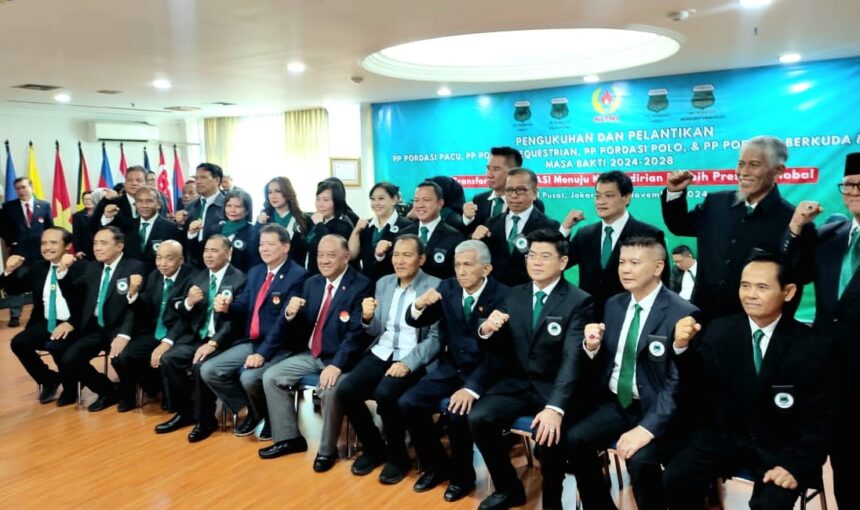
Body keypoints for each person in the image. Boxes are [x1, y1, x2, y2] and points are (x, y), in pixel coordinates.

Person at [663, 253, 836, 509]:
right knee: (676, 478)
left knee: (770, 503)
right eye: (745, 285)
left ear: (787, 292)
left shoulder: (813, 346)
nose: (750, 294)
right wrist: (680, 347)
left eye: (762, 287)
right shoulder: (719, 331)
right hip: (725, 438)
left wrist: (794, 465)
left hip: (780, 449)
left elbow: (822, 419)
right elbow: (695, 387)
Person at [562, 236, 698, 510]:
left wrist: (647, 428)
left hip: (658, 409)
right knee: (575, 439)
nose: (625, 269)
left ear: (658, 267)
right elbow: (605, 361)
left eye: (634, 263)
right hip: (617, 401)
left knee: (640, 461)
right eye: (622, 262)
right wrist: (591, 346)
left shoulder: (683, 312)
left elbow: (678, 382)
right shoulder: (614, 304)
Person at [469, 229, 593, 510]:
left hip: (554, 388)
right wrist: (487, 329)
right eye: (531, 255)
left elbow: (573, 358)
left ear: (562, 263)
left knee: (549, 434)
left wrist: (555, 408)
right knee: (479, 418)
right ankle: (508, 488)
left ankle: (552, 500)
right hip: (517, 384)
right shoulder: (513, 295)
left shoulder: (579, 300)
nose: (535, 262)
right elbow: (495, 346)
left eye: (545, 256)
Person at [401, 240, 507, 502]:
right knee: (409, 402)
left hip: (485, 372)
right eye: (457, 265)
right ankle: (436, 466)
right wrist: (419, 304)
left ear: (486, 268)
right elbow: (416, 319)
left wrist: (471, 388)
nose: (461, 271)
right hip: (452, 367)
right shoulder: (447, 287)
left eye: (468, 265)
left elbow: (501, 355)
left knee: (458, 413)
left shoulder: (503, 296)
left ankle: (463, 477)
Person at [783, 152, 860, 508]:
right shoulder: (833, 232)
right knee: (844, 462)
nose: (854, 191)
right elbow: (793, 273)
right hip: (830, 370)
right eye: (849, 185)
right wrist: (796, 228)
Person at [259, 234, 372, 474]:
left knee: (331, 391)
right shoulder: (312, 283)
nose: (324, 260)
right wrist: (291, 314)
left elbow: (356, 334)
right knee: (271, 377)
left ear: (346, 256)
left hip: (342, 360)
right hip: (312, 354)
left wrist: (337, 365)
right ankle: (289, 438)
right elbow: (302, 327)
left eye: (331, 255)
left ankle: (326, 450)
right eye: (320, 255)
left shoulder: (361, 285)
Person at [660, 135, 799, 322]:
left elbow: (795, 278)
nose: (743, 172)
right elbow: (679, 226)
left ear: (778, 170)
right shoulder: (716, 203)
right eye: (741, 164)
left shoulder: (791, 219)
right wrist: (674, 192)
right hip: (704, 318)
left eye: (754, 165)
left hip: (753, 324)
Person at [337, 235, 440, 484]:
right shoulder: (383, 283)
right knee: (346, 391)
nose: (400, 261)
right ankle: (374, 449)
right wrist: (367, 318)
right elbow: (374, 331)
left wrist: (408, 363)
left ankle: (398, 457)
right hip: (381, 351)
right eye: (396, 255)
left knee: (386, 394)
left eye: (407, 255)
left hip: (412, 356)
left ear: (422, 259)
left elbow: (435, 339)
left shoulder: (435, 286)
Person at [201, 224, 308, 440]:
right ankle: (254, 411)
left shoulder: (298, 275)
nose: (264, 249)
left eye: (270, 244)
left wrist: (263, 353)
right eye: (261, 244)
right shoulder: (256, 271)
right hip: (252, 340)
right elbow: (244, 306)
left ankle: (269, 418)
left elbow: (283, 323)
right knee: (209, 370)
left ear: (286, 246)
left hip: (280, 345)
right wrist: (228, 306)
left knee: (250, 378)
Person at [154, 235, 246, 442]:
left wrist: (213, 344)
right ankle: (184, 413)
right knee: (170, 359)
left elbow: (235, 322)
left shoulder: (239, 278)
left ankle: (205, 421)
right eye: (206, 250)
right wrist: (188, 302)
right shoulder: (198, 277)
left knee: (199, 366)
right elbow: (177, 308)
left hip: (224, 341)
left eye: (214, 250)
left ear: (228, 253)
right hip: (197, 337)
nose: (208, 255)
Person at [56, 226, 146, 411]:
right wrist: (63, 272)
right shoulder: (92, 267)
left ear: (119, 246)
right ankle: (108, 391)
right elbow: (75, 295)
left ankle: (128, 397)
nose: (97, 248)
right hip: (96, 327)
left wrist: (124, 335)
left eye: (103, 243)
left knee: (119, 358)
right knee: (70, 359)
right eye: (95, 243)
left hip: (121, 327)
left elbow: (134, 308)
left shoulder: (134, 267)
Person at [561, 170, 667, 320]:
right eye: (597, 196)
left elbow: (662, 282)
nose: (600, 201)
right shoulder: (585, 234)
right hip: (588, 320)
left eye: (609, 196)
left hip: (629, 319)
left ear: (627, 197)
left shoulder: (649, 234)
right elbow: (559, 263)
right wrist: (565, 228)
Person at [110, 240, 195, 412]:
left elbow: (186, 318)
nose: (162, 263)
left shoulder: (192, 277)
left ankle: (169, 393)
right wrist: (133, 293)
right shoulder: (154, 275)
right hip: (154, 331)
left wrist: (167, 342)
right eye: (159, 258)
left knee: (164, 358)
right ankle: (147, 391)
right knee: (121, 357)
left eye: (169, 259)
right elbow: (146, 308)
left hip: (178, 334)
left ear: (181, 260)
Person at [5, 228, 85, 404]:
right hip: (47, 321)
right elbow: (14, 289)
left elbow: (86, 302)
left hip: (74, 323)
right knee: (18, 343)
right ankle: (48, 379)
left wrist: (71, 323)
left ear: (68, 246)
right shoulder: (40, 267)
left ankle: (70, 389)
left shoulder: (80, 267)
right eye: (44, 243)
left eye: (53, 243)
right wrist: (9, 270)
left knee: (57, 346)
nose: (47, 247)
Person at [472, 168, 559, 287]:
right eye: (508, 190)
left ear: (534, 193)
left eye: (520, 190)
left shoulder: (549, 226)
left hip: (530, 295)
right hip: (496, 296)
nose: (514, 195)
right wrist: (474, 239)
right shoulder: (491, 224)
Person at [1, 177, 53, 327]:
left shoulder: (44, 205)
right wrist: (12, 242)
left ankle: (40, 313)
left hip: (41, 255)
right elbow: (3, 228)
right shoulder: (9, 207)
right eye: (18, 188)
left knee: (41, 284)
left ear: (31, 187)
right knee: (16, 285)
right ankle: (15, 316)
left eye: (23, 187)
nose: (21, 191)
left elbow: (49, 228)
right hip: (20, 255)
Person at [461, 147, 545, 235]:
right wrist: (467, 218)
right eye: (488, 168)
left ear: (513, 172)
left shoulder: (531, 203)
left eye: (496, 169)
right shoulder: (479, 200)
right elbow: (468, 236)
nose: (489, 175)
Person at [349, 182, 414, 281]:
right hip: (367, 287)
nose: (376, 203)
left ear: (394, 199)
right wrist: (356, 231)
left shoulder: (407, 227)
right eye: (373, 199)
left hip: (394, 286)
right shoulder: (366, 226)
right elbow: (351, 255)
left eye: (381, 198)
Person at [401, 180, 464, 280]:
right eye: (416, 200)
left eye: (426, 200)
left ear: (440, 203)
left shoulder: (454, 237)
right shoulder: (404, 234)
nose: (420, 205)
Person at [124, 187, 183, 274]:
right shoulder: (127, 226)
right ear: (135, 204)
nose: (144, 205)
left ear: (159, 204)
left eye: (149, 201)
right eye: (140, 201)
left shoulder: (170, 228)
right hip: (131, 277)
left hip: (158, 278)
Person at [254, 177, 309, 267]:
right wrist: (259, 224)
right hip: (268, 271)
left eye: (278, 191)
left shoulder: (304, 219)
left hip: (297, 273)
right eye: (270, 192)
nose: (273, 196)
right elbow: (254, 249)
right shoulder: (264, 219)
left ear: (287, 192)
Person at [304, 180, 355, 275]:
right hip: (313, 276)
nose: (320, 204)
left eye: (326, 200)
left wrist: (319, 225)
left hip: (330, 275)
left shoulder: (343, 225)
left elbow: (327, 245)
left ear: (336, 201)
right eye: (318, 199)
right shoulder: (316, 219)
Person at [182, 163, 226, 267]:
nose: (198, 181)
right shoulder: (191, 207)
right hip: (194, 265)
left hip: (219, 264)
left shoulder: (227, 206)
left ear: (217, 180)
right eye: (196, 178)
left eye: (203, 177)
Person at [92, 166, 146, 236]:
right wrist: (106, 218)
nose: (134, 183)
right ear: (125, 183)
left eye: (139, 180)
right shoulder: (111, 202)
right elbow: (93, 228)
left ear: (146, 183)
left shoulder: (154, 203)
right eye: (130, 180)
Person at [72, 191, 96, 260]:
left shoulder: (101, 214)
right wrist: (78, 251)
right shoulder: (77, 215)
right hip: (85, 250)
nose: (87, 201)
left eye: (90, 199)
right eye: (85, 199)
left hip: (100, 248)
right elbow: (76, 234)